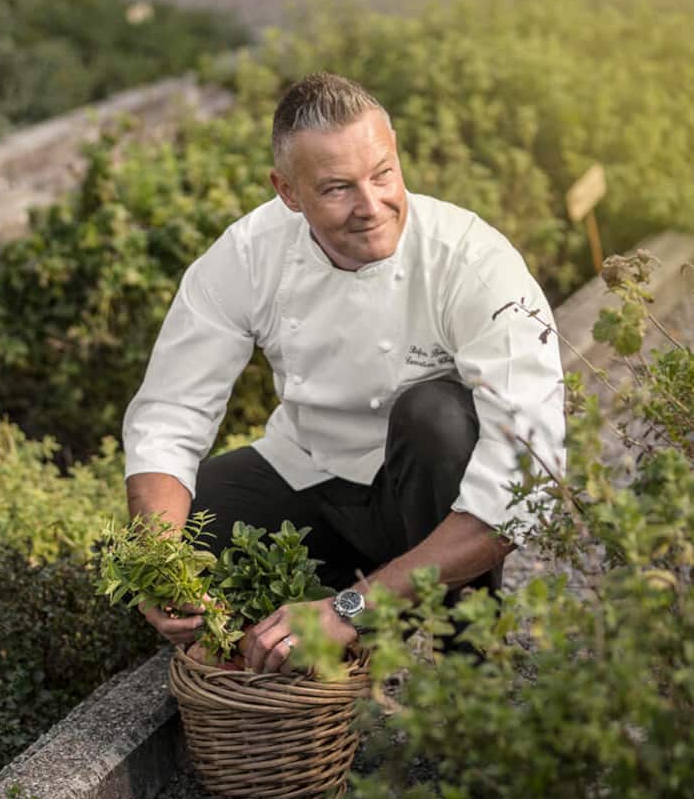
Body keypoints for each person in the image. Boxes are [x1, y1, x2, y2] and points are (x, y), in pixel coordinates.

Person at [122, 72, 565, 673]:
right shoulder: (249, 253)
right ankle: (297, 651)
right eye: (336, 188)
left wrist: (351, 607)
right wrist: (162, 562)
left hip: (434, 495)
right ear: (288, 191)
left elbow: (525, 486)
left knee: (435, 415)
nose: (371, 207)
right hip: (314, 471)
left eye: (383, 174)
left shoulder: (474, 263)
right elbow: (170, 413)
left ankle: (466, 663)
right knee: (178, 523)